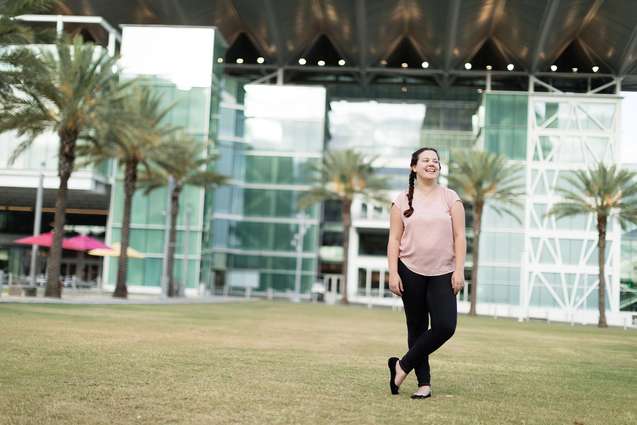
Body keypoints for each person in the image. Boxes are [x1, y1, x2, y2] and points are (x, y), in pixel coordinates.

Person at [386, 147, 466, 399]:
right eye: (426, 160)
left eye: (436, 161)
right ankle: (424, 384)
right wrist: (392, 273)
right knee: (417, 328)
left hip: (444, 271)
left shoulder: (451, 198)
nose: (432, 164)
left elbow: (460, 236)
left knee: (445, 326)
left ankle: (402, 365)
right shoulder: (401, 200)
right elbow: (394, 239)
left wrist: (460, 270)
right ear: (414, 167)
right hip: (409, 269)